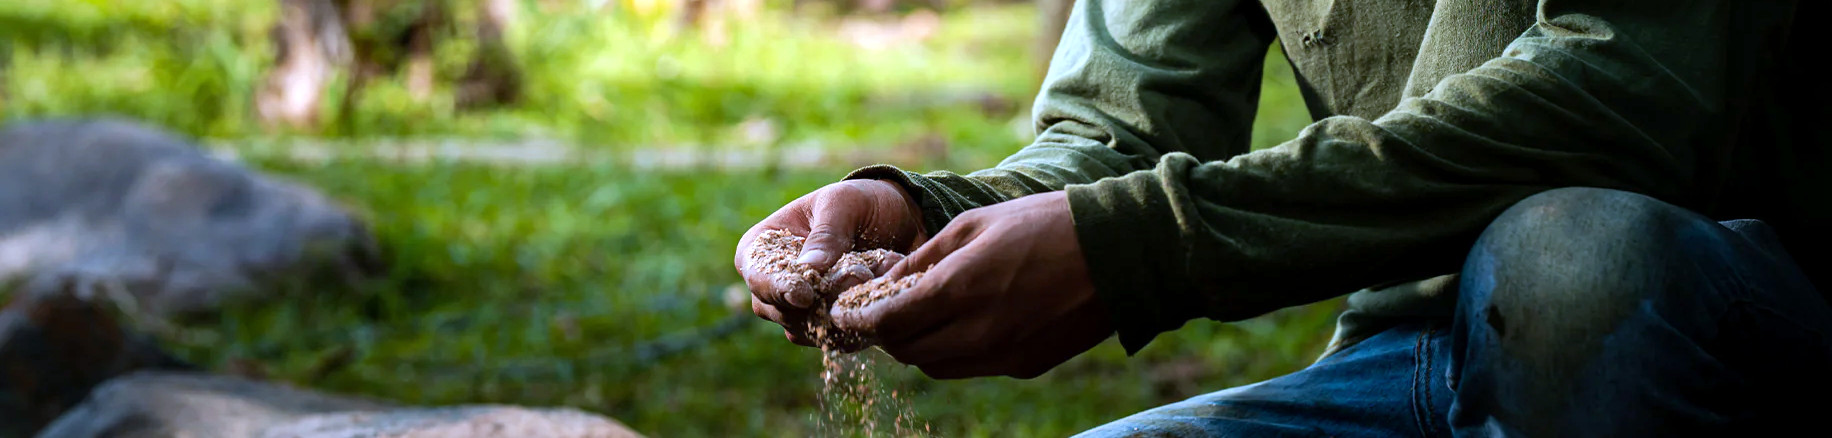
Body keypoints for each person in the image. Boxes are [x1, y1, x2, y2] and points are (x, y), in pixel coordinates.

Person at [735, 0, 1831, 435]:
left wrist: (1146, 245)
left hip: (1710, 321)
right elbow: (1112, 128)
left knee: (1569, 259)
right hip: (1407, 352)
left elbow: (1617, 96)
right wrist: (914, 210)